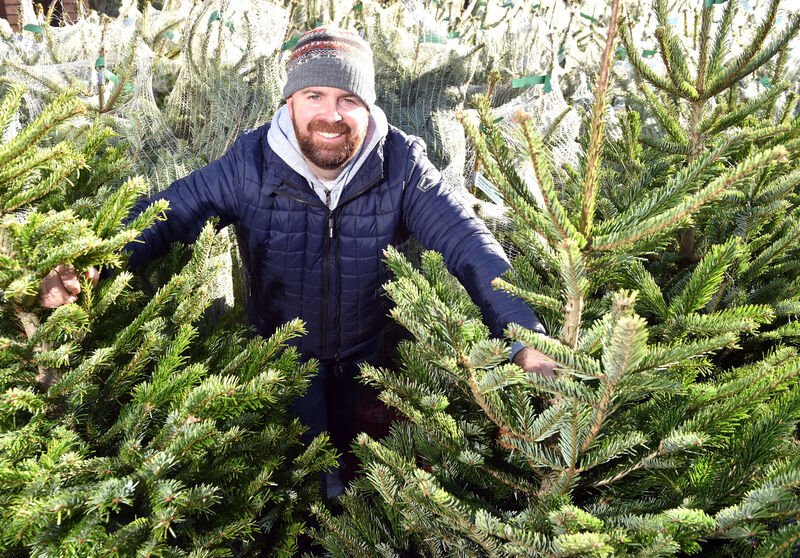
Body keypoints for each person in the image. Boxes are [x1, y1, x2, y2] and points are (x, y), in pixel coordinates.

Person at [40, 27, 556, 497]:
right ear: (289, 103)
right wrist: (92, 263)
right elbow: (168, 214)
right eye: (314, 95)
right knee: (306, 463)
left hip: (366, 350)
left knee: (367, 454)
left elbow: (470, 243)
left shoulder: (400, 164)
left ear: (369, 108)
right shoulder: (250, 164)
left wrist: (525, 338)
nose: (330, 114)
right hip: (287, 354)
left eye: (348, 98)